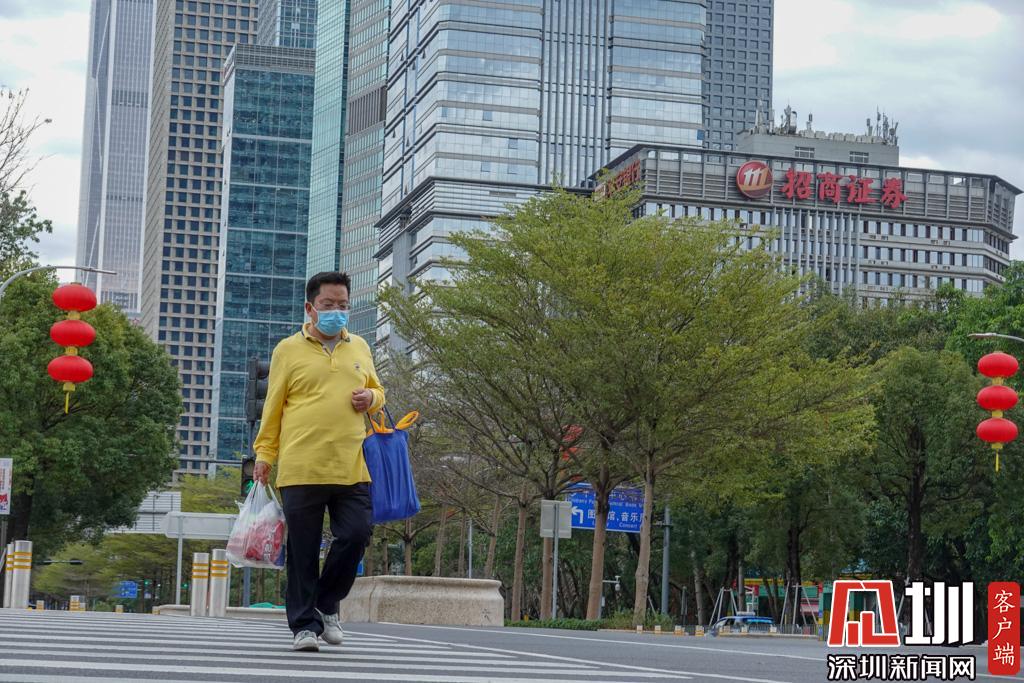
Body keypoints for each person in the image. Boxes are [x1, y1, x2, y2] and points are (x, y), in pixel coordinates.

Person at [253, 272, 384, 652]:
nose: (337, 312)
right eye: (328, 305)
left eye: (343, 305)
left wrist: (372, 399)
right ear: (310, 308)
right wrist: (265, 455)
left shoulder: (360, 346)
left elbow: (378, 390)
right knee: (303, 551)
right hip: (301, 466)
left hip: (352, 464)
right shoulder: (287, 350)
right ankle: (304, 627)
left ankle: (326, 604)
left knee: (357, 534)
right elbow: (272, 407)